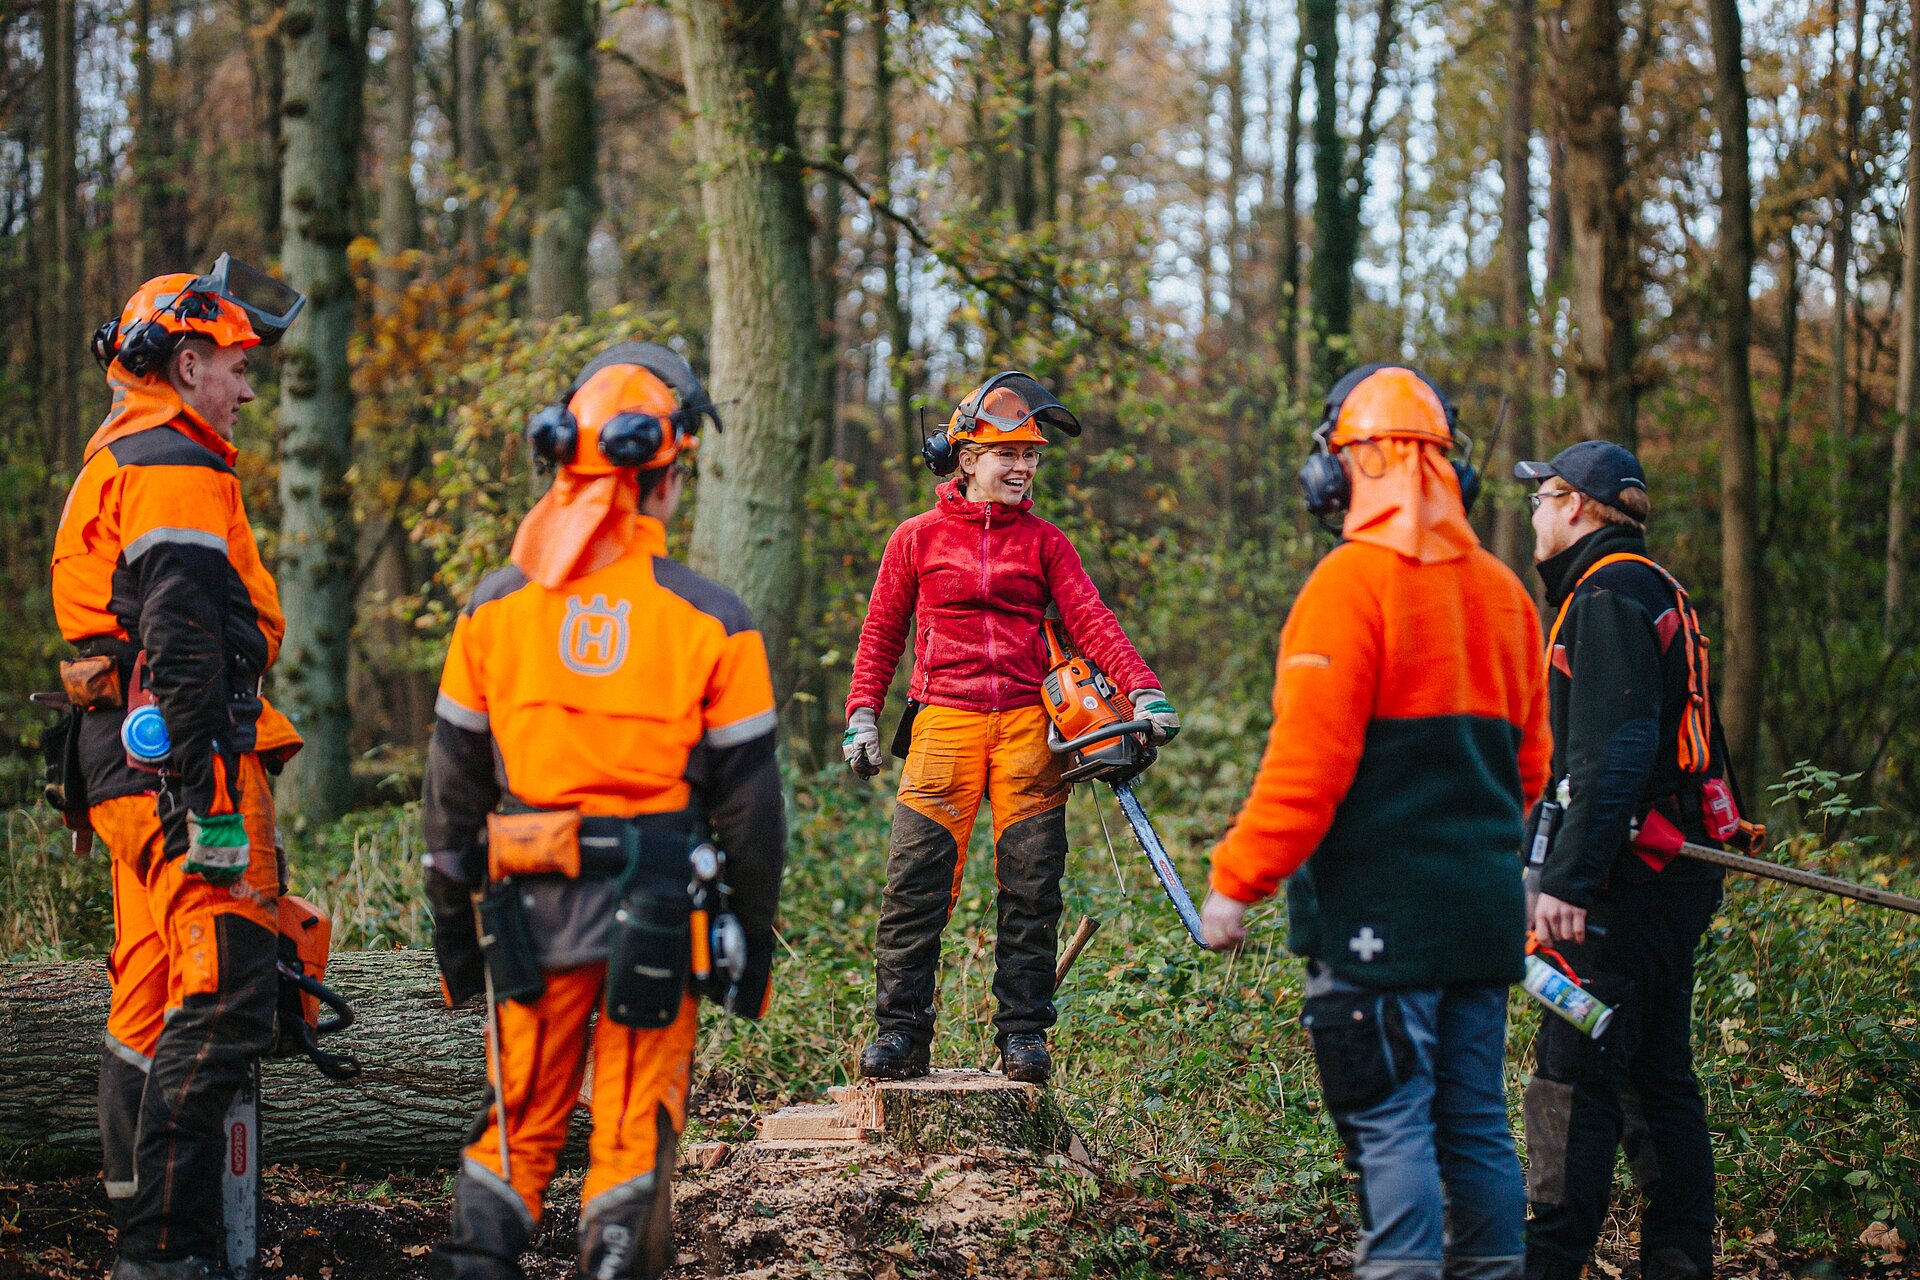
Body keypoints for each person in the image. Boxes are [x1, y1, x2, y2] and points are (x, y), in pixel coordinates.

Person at [421, 342, 787, 1280]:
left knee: (519, 1117)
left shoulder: (492, 609)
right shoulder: (715, 619)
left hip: (528, 901)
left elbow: (451, 796)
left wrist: (455, 944)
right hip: (656, 899)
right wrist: (751, 948)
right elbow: (751, 812)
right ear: (663, 479)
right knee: (631, 1121)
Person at [1202, 365, 1552, 1280]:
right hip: (1479, 921)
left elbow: (1307, 770)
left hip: (1376, 932)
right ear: (1448, 469)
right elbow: (1533, 772)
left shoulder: (1347, 587)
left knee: (1390, 1126)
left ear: (1348, 468)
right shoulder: (1508, 595)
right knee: (1474, 1124)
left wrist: (1237, 883)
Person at [51, 260, 307, 1279]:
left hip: (122, 762)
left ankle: (146, 1238)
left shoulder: (123, 453)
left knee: (150, 1005)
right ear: (188, 358)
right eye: (238, 367)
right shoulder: (175, 463)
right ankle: (168, 1252)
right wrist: (209, 806)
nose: (248, 389)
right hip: (176, 764)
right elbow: (186, 643)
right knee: (234, 986)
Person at [842, 371, 1179, 1084]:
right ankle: (900, 1034)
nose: (1023, 467)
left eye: (1031, 456)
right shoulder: (916, 539)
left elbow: (1091, 619)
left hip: (1032, 725)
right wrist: (863, 713)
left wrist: (1144, 690)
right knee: (915, 884)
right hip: (943, 722)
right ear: (967, 460)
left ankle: (1023, 1037)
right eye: (1009, 454)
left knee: (1032, 885)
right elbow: (880, 631)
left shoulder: (1047, 544)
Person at [1514, 441, 1723, 1280]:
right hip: (1669, 884)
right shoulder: (1651, 586)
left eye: (1541, 497)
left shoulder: (1602, 597)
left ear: (1575, 505)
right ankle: (1680, 1261)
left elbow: (1620, 745)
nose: (1532, 511)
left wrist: (1567, 879)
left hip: (1620, 890)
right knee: (1656, 1074)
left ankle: (1548, 1262)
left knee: (1572, 1077)